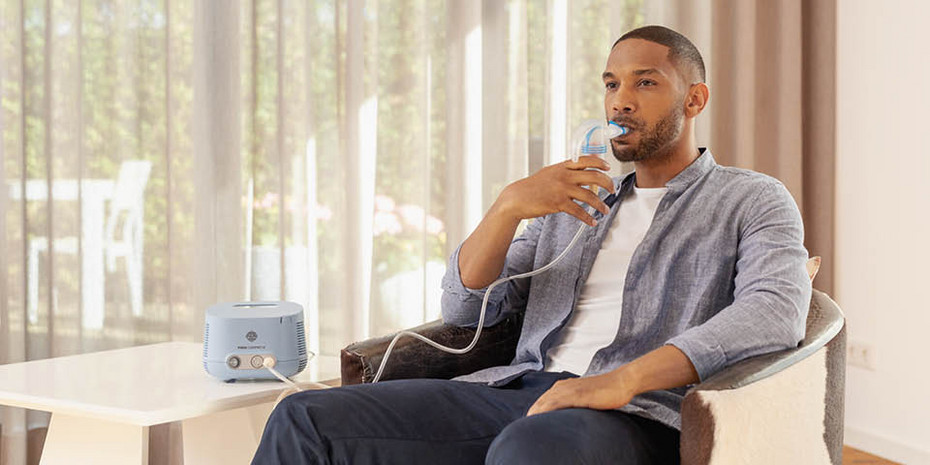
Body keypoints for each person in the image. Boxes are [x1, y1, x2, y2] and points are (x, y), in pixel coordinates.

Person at [252, 25, 811, 465]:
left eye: (645, 82)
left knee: (529, 451)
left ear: (694, 99)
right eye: (611, 84)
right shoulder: (575, 203)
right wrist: (508, 207)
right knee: (302, 417)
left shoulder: (753, 199)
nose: (620, 101)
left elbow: (774, 314)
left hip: (634, 413)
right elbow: (465, 310)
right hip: (517, 390)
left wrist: (618, 380)